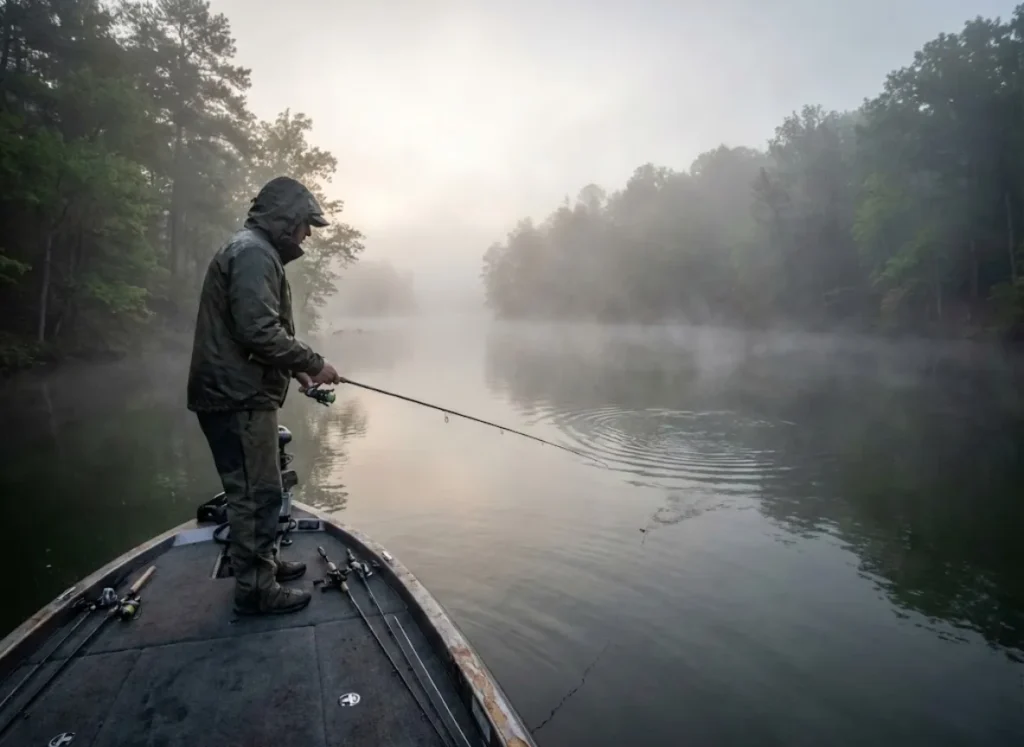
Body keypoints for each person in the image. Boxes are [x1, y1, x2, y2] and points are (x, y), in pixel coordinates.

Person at [187, 175, 342, 616]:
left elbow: (253, 334)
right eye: (305, 223)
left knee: (260, 488)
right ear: (287, 219)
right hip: (237, 398)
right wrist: (312, 362)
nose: (308, 234)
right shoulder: (254, 253)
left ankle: (263, 565)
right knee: (257, 494)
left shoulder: (252, 249)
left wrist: (296, 370)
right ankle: (256, 588)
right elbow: (259, 331)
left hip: (236, 392)